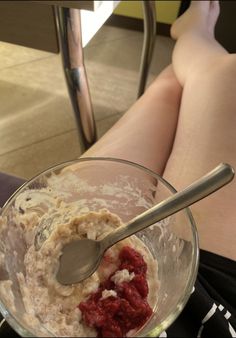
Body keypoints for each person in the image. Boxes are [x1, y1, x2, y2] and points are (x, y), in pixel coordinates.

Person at [0, 1, 235, 337]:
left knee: (168, 92)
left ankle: (188, 53)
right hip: (205, 298)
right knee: (225, 76)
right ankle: (194, 41)